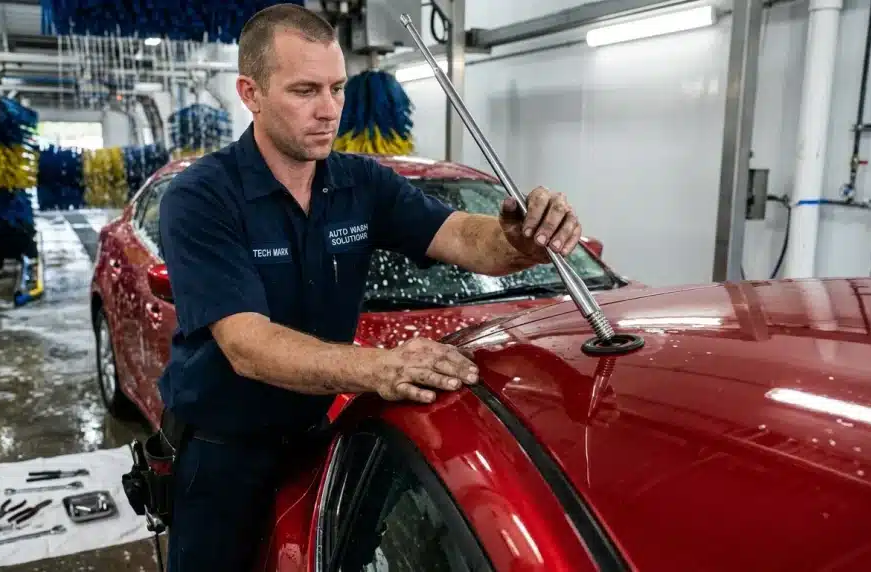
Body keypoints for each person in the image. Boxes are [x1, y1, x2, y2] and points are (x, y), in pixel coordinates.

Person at [156, 3, 583, 570]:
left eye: (337, 88)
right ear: (250, 93)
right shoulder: (203, 198)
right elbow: (247, 345)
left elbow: (459, 235)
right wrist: (381, 367)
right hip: (223, 457)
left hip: (319, 437)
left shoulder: (361, 183)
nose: (329, 110)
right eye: (305, 90)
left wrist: (521, 238)